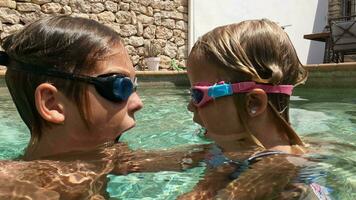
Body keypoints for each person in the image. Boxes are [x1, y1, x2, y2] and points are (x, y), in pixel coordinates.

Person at [0, 15, 207, 199]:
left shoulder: (110, 156)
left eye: (135, 86)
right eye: (120, 85)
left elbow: (200, 157)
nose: (138, 103)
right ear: (52, 104)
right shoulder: (11, 186)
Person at [178, 19, 332, 199]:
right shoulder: (241, 152)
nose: (190, 106)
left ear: (253, 103)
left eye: (197, 95)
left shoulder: (277, 166)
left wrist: (204, 188)